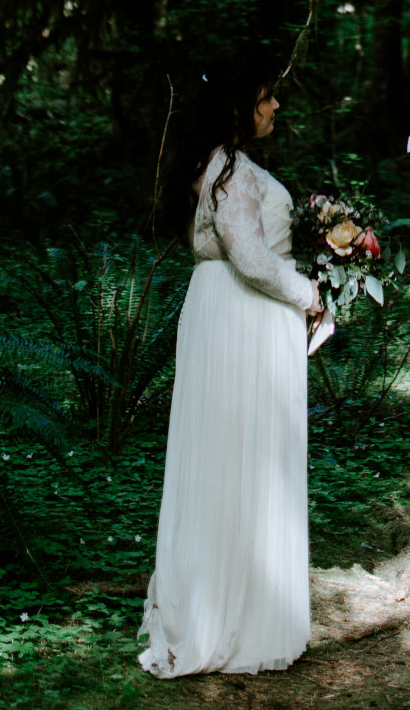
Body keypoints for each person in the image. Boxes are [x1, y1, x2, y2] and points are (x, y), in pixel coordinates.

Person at [138, 52, 322, 678]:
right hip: (243, 317)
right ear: (241, 105)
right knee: (244, 460)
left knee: (225, 459)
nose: (275, 106)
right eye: (267, 96)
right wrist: (309, 293)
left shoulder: (214, 165)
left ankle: (220, 604)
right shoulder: (232, 169)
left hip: (226, 315)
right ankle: (234, 622)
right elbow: (248, 256)